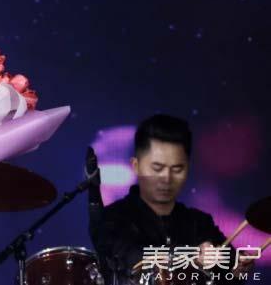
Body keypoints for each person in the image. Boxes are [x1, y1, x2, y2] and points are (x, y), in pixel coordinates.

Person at [90, 114, 255, 284]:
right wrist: (193, 258)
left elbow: (230, 273)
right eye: (157, 168)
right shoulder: (112, 218)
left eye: (177, 169)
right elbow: (129, 257)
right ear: (136, 166)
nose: (167, 178)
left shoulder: (200, 223)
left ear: (188, 169)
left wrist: (237, 270)